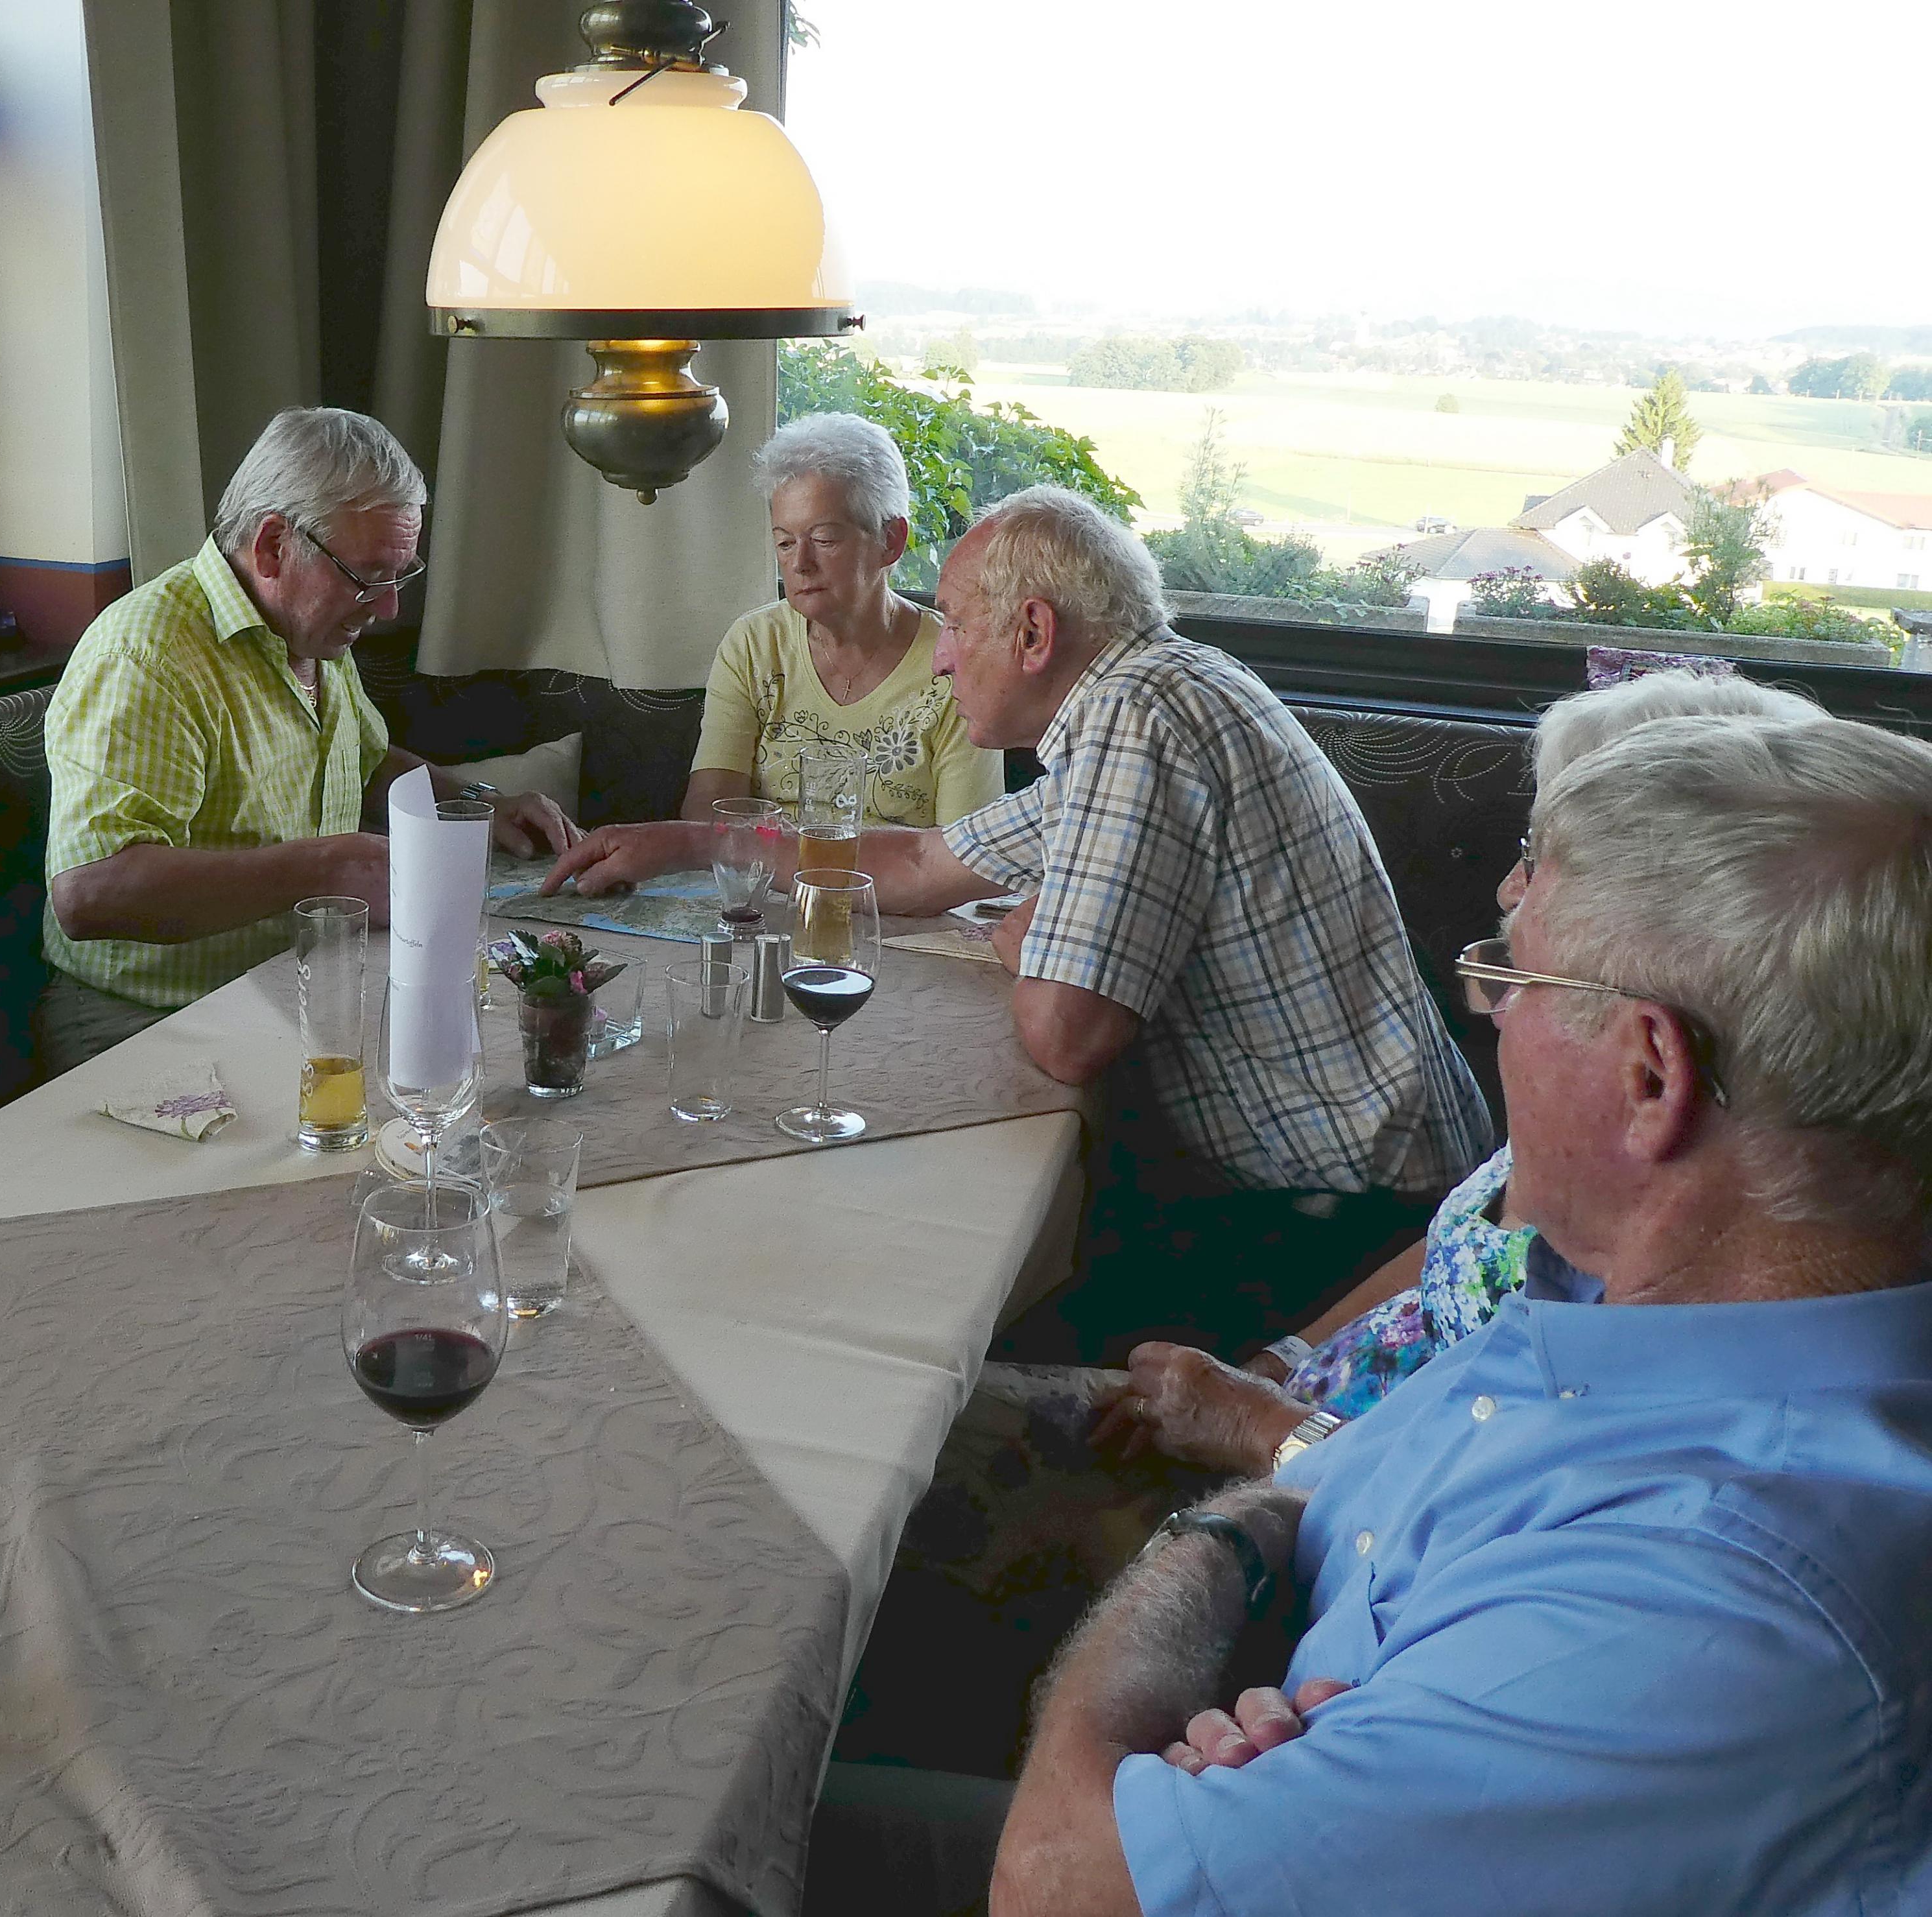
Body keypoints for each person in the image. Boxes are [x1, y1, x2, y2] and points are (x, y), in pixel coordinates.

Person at [979, 713, 1932, 1917]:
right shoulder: (1621, 1303)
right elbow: (1312, 1494)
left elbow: (1056, 1885)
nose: (1490, 1014)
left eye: (1514, 978)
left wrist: (1212, 1542)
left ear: (1649, 1075)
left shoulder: (1713, 1600)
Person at [548, 484, 1491, 1358]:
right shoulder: (1152, 688)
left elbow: (1064, 1036)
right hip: (1349, 1180)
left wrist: (1034, 942)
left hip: (1337, 1226)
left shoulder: (1136, 720)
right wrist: (694, 841)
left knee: (927, 1312)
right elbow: (923, 863)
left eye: (956, 625)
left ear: (1033, 632)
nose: (941, 654)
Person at [1095, 668, 1830, 1474]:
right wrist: (1279, 1362)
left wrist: (1261, 1429)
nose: (1508, 888)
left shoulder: (1658, 1201)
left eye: (1541, 857)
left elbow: (1494, 1496)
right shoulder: (1578, 1091)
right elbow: (1451, 1245)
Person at [40, 407, 578, 1073]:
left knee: (500, 1061)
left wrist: (481, 803)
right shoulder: (146, 657)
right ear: (273, 546)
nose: (388, 609)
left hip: (291, 986)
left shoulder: (307, 627)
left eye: (399, 576)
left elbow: (365, 761)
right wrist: (325, 867)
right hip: (146, 1019)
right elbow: (90, 895)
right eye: (369, 577)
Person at [683, 412, 1000, 828]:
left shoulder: (958, 660)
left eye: (824, 539)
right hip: (760, 871)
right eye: (784, 542)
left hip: (901, 877)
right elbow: (708, 816)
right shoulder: (755, 644)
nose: (800, 563)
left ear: (890, 541)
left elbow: (968, 850)